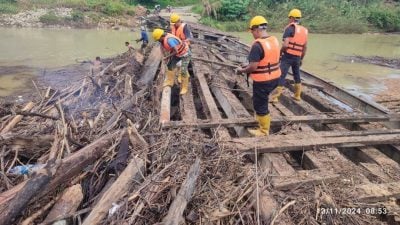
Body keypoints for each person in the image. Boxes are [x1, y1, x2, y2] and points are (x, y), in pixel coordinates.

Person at [235, 16, 281, 136]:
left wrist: (241, 70)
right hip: (275, 77)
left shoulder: (257, 45)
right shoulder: (274, 40)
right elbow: (267, 59)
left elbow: (253, 67)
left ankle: (263, 131)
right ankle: (261, 121)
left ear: (256, 29)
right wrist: (248, 64)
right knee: (263, 100)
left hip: (263, 80)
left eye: (252, 31)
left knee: (260, 103)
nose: (252, 34)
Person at [271, 8, 308, 102]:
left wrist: (280, 53)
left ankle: (275, 97)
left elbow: (286, 44)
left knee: (281, 75)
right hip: (298, 57)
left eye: (289, 18)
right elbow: (305, 47)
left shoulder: (290, 28)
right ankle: (297, 95)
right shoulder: (304, 30)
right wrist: (301, 59)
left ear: (292, 18)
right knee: (297, 75)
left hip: (288, 55)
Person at [152, 28, 191, 95]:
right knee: (170, 66)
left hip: (185, 54)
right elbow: (163, 46)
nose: (158, 41)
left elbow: (176, 51)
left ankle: (184, 88)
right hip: (178, 54)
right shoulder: (163, 39)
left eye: (158, 39)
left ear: (161, 36)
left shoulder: (170, 40)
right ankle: (170, 82)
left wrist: (167, 57)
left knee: (183, 71)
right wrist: (165, 56)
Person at [170, 13, 193, 83]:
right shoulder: (173, 27)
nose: (174, 24)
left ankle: (183, 76)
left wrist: (184, 41)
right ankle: (184, 74)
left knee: (183, 64)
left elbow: (189, 37)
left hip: (185, 48)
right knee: (178, 64)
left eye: (175, 23)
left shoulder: (185, 27)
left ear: (179, 21)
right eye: (173, 23)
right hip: (178, 48)